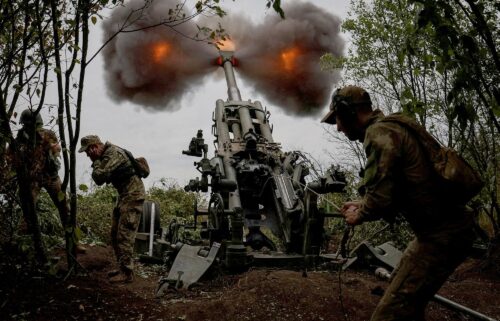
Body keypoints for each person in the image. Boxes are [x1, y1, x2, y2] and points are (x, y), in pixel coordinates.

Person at [321, 86, 475, 321]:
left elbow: (380, 199)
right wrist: (363, 202)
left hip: (442, 234)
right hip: (440, 232)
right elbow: (396, 190)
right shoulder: (391, 128)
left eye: (338, 121)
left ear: (348, 112)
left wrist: (359, 214)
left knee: (390, 313)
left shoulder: (379, 134)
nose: (339, 128)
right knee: (403, 299)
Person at [10, 109, 86, 252]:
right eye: (28, 126)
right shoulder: (19, 139)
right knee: (28, 208)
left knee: (65, 208)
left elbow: (56, 153)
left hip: (51, 177)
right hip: (33, 179)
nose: (32, 129)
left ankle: (74, 243)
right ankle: (28, 244)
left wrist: (52, 150)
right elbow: (11, 158)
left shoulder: (48, 135)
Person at [79, 135, 145, 283]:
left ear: (94, 147)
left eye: (88, 152)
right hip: (124, 196)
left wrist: (96, 162)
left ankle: (127, 273)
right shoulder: (108, 155)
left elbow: (99, 177)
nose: (88, 156)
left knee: (124, 234)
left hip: (133, 196)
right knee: (114, 233)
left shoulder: (112, 153)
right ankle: (122, 267)